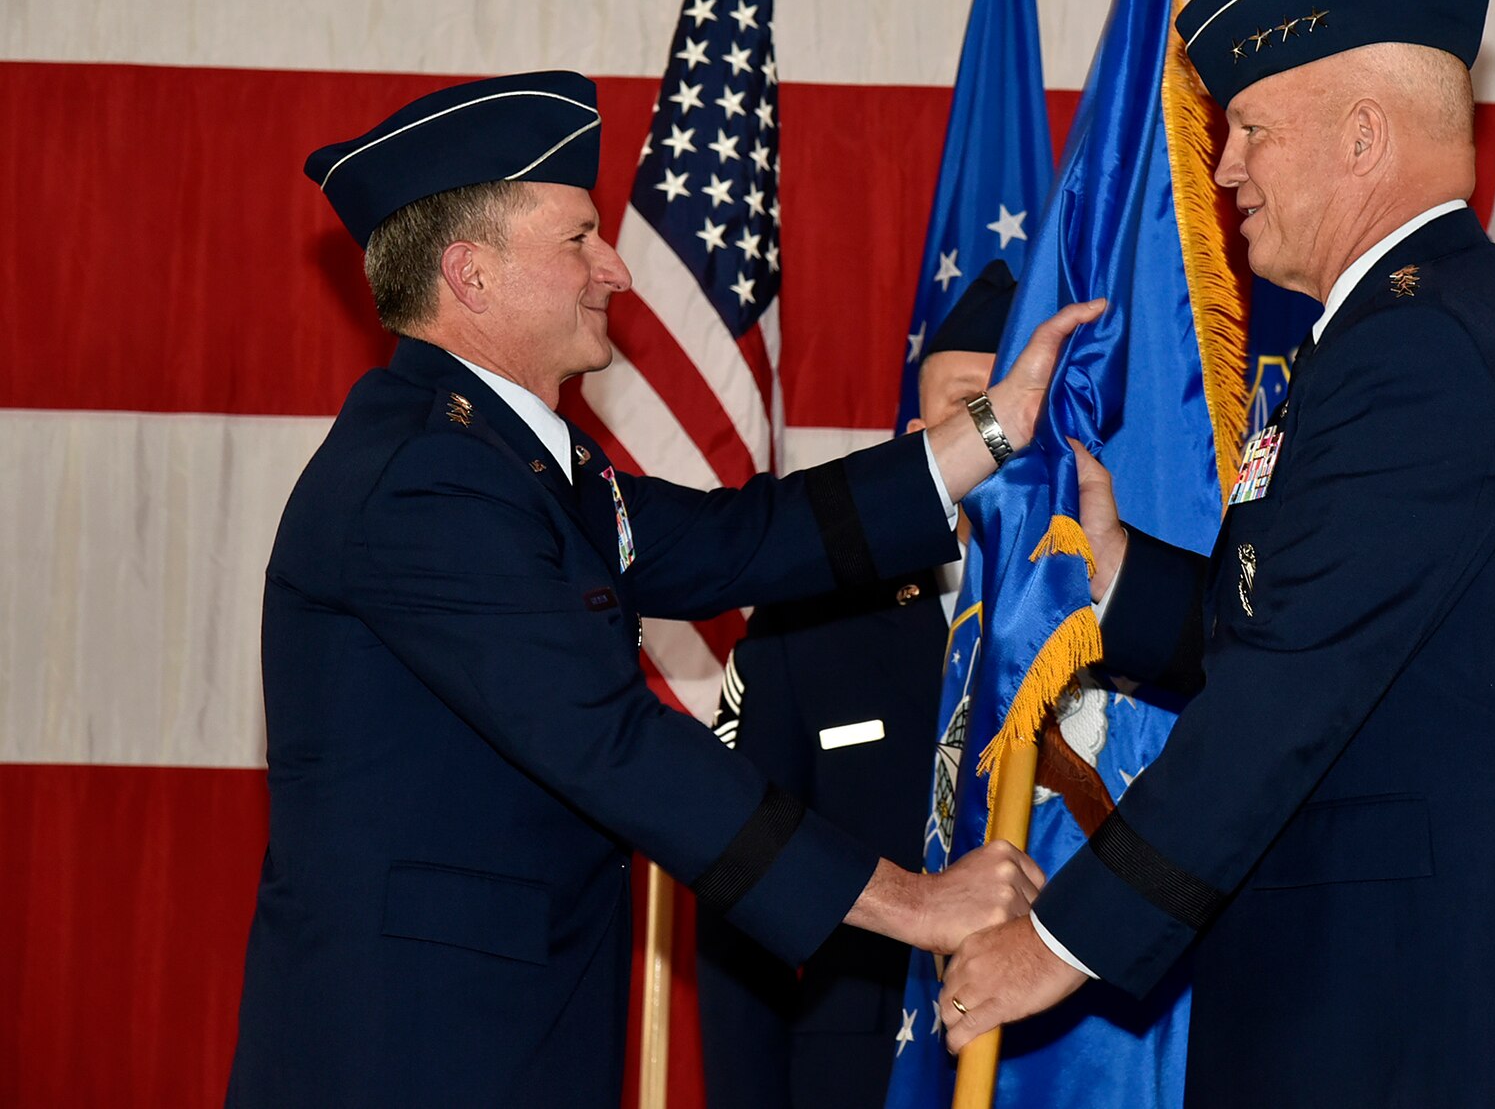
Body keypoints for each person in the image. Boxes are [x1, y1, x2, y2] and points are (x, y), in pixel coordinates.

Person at [225, 72, 1096, 1108]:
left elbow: (743, 540)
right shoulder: (428, 480)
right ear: (471, 275)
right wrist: (912, 905)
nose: (616, 269)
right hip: (418, 1051)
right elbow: (613, 744)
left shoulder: (521, 463)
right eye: (578, 238)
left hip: (508, 1034)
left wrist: (993, 427)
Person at [937, 0, 1495, 1108]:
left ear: (1363, 136)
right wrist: (1122, 574)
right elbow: (1313, 630)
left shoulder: (1423, 347)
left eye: (1253, 128)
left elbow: (1288, 693)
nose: (1225, 171)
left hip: (1412, 1032)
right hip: (1373, 1010)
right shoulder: (1399, 331)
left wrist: (1060, 940)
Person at [697, 262, 1016, 1109]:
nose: (997, 432)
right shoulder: (813, 623)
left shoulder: (1115, 619)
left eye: (1013, 401)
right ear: (919, 437)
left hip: (1077, 1068)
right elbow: (744, 899)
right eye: (965, 407)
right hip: (858, 1077)